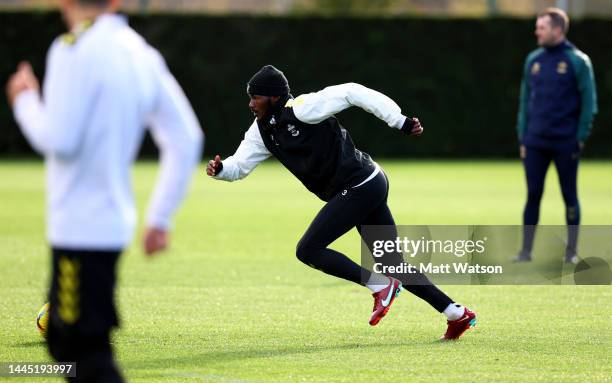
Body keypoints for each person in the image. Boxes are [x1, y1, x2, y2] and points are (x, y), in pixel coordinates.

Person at [5, 0, 203, 381]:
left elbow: (59, 140)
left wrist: (24, 100)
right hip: (110, 225)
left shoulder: (71, 48)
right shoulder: (140, 51)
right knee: (70, 341)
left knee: (79, 350)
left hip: (79, 228)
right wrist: (160, 217)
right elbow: (185, 137)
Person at [206, 65, 476, 340]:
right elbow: (240, 165)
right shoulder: (261, 130)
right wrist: (222, 170)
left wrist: (399, 120)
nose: (251, 103)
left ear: (274, 97)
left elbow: (351, 91)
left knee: (308, 250)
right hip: (365, 185)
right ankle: (457, 313)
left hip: (361, 184)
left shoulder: (301, 108)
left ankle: (380, 286)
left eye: (256, 97)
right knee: (393, 263)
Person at [515, 7, 597, 263]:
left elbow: (589, 103)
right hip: (535, 142)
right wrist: (523, 137)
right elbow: (525, 101)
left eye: (542, 27)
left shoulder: (578, 61)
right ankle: (526, 252)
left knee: (569, 195)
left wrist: (580, 137)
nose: (536, 31)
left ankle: (571, 253)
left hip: (565, 142)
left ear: (557, 30)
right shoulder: (533, 60)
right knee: (533, 195)